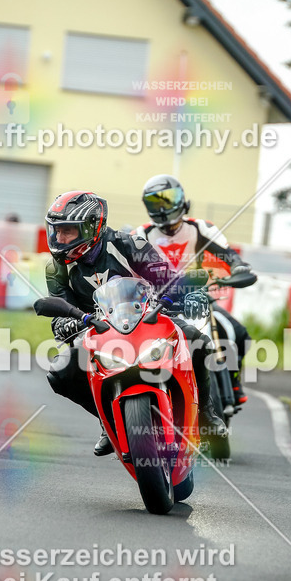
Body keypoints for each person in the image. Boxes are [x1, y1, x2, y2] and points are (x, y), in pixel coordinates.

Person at [44, 190, 226, 456]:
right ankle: (108, 423)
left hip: (150, 320)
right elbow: (60, 308)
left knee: (198, 341)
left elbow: (168, 279)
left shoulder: (130, 245)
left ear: (91, 227)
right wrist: (63, 323)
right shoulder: (56, 268)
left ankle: (206, 414)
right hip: (99, 333)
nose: (59, 239)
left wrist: (190, 295)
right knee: (60, 372)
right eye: (57, 231)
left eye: (67, 231)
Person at [135, 175, 254, 405]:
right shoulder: (142, 234)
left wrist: (238, 267)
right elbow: (126, 268)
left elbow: (229, 255)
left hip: (198, 298)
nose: (163, 208)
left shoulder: (200, 228)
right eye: (155, 202)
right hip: (159, 304)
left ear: (181, 199)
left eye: (168, 199)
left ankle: (234, 382)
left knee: (238, 333)